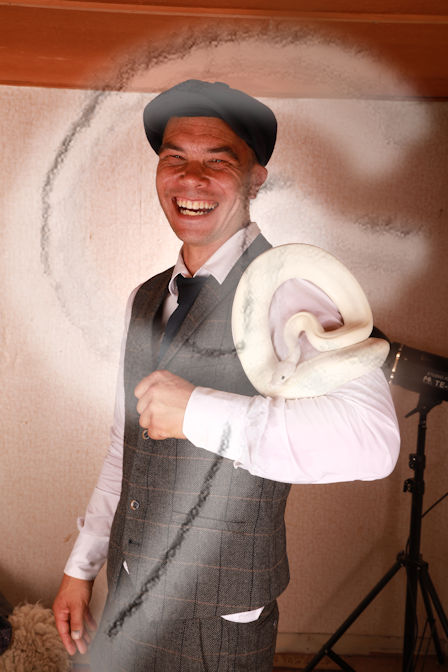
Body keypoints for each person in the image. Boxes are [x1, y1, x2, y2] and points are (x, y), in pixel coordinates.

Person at [53, 80, 400, 672]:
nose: (191, 179)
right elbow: (124, 447)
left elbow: (373, 441)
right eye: (175, 159)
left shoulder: (293, 290)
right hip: (127, 590)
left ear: (256, 178)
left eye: (218, 161)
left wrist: (197, 412)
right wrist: (80, 567)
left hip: (216, 618)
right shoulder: (145, 299)